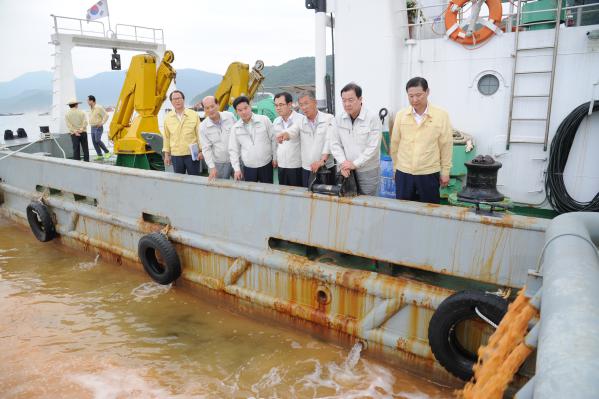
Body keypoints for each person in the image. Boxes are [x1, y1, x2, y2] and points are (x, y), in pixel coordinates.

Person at [389, 77, 453, 204]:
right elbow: (395, 144)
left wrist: (445, 172)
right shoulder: (401, 115)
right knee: (403, 210)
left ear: (427, 92)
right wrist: (396, 169)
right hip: (404, 172)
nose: (415, 100)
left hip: (429, 172)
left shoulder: (441, 115)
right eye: (411, 96)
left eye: (419, 95)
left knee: (430, 211)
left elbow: (445, 145)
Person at [329, 83, 382, 195]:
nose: (347, 104)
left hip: (367, 171)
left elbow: (373, 147)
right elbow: (334, 144)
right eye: (344, 100)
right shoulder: (338, 119)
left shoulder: (372, 117)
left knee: (368, 204)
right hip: (346, 170)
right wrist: (344, 163)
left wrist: (355, 164)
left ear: (360, 99)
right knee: (347, 204)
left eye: (351, 100)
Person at [228, 96, 277, 183]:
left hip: (266, 164)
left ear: (250, 106)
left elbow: (273, 139)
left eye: (245, 108)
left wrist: (275, 158)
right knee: (251, 194)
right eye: (240, 110)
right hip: (248, 167)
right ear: (236, 112)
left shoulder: (264, 120)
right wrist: (237, 169)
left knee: (267, 192)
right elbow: (233, 150)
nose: (244, 112)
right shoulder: (235, 128)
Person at [297, 90, 336, 187]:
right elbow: (292, 130)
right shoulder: (301, 121)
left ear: (315, 102)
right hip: (308, 169)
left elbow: (329, 140)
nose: (304, 107)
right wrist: (286, 134)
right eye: (301, 105)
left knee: (327, 198)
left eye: (306, 103)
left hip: (326, 168)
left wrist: (322, 160)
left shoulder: (329, 118)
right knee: (308, 198)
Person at [163, 90, 202, 175]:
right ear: (171, 102)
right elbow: (166, 137)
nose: (177, 101)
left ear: (183, 99)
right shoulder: (168, 118)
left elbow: (199, 134)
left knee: (194, 178)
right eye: (174, 99)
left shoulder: (194, 115)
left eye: (179, 98)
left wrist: (201, 151)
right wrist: (167, 155)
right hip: (176, 155)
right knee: (178, 180)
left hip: (192, 154)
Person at [199, 96, 236, 180]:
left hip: (236, 160)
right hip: (219, 163)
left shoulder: (230, 116)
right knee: (220, 189)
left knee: (242, 186)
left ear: (218, 105)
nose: (210, 110)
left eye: (212, 106)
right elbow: (206, 149)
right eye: (207, 108)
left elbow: (238, 135)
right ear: (204, 109)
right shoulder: (203, 126)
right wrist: (212, 167)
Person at [273, 92, 304, 187]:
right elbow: (275, 143)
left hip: (296, 165)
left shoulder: (301, 119)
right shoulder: (276, 121)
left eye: (281, 105)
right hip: (281, 165)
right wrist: (275, 158)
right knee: (283, 194)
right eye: (276, 105)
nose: (278, 108)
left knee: (297, 194)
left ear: (290, 104)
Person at [87, 95, 111, 160]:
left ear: (92, 100)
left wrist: (102, 123)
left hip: (98, 126)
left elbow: (106, 115)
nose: (87, 102)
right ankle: (99, 155)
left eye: (88, 100)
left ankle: (107, 152)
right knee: (94, 142)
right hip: (92, 127)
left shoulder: (99, 107)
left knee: (97, 140)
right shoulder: (91, 108)